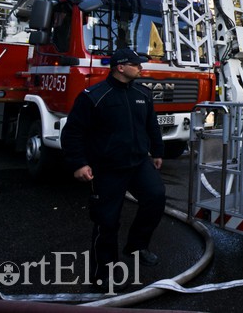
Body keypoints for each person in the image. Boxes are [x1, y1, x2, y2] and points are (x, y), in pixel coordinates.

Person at [62, 47, 166, 291]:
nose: (141, 68)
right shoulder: (94, 95)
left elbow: (152, 125)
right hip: (107, 167)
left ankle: (137, 246)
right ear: (120, 67)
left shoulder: (143, 93)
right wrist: (79, 163)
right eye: (136, 64)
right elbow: (73, 132)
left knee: (156, 198)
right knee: (107, 221)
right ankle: (104, 273)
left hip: (139, 162)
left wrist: (158, 151)